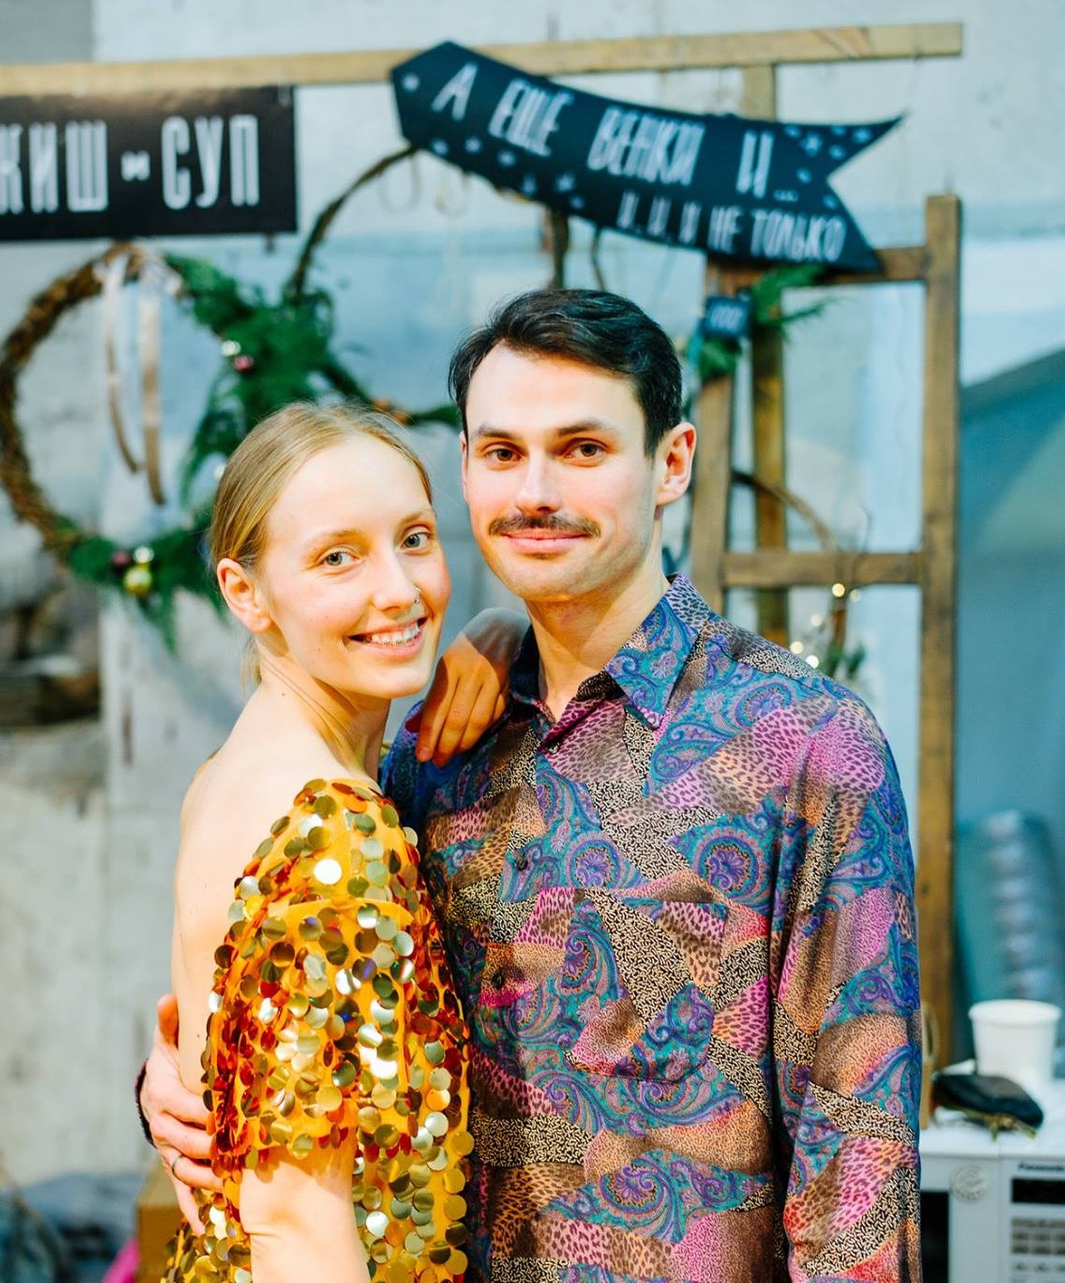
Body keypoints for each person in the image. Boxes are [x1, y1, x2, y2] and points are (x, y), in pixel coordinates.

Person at [145, 290, 924, 1281]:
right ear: (467, 468)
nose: (536, 491)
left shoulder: (804, 744)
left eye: (583, 449)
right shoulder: (436, 746)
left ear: (672, 462)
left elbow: (859, 1157)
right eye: (503, 452)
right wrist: (177, 1081)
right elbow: (334, 1027)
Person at [162, 401, 520, 1282]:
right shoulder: (332, 827)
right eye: (337, 557)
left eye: (414, 539)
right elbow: (296, 1226)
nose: (397, 589)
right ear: (245, 592)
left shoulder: (235, 768)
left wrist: (509, 631)